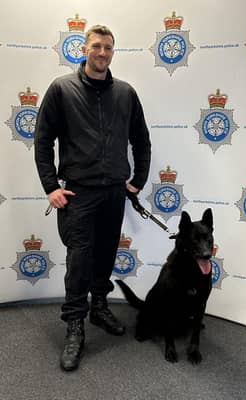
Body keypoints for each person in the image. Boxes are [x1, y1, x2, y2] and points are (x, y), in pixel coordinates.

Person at [34, 25, 151, 372]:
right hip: (78, 193)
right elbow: (43, 141)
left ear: (113, 52)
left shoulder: (126, 93)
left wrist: (136, 181)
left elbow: (141, 141)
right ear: (84, 50)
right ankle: (75, 327)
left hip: (115, 192)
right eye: (97, 46)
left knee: (105, 256)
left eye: (109, 48)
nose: (102, 53)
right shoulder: (61, 89)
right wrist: (50, 186)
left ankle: (99, 307)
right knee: (80, 262)